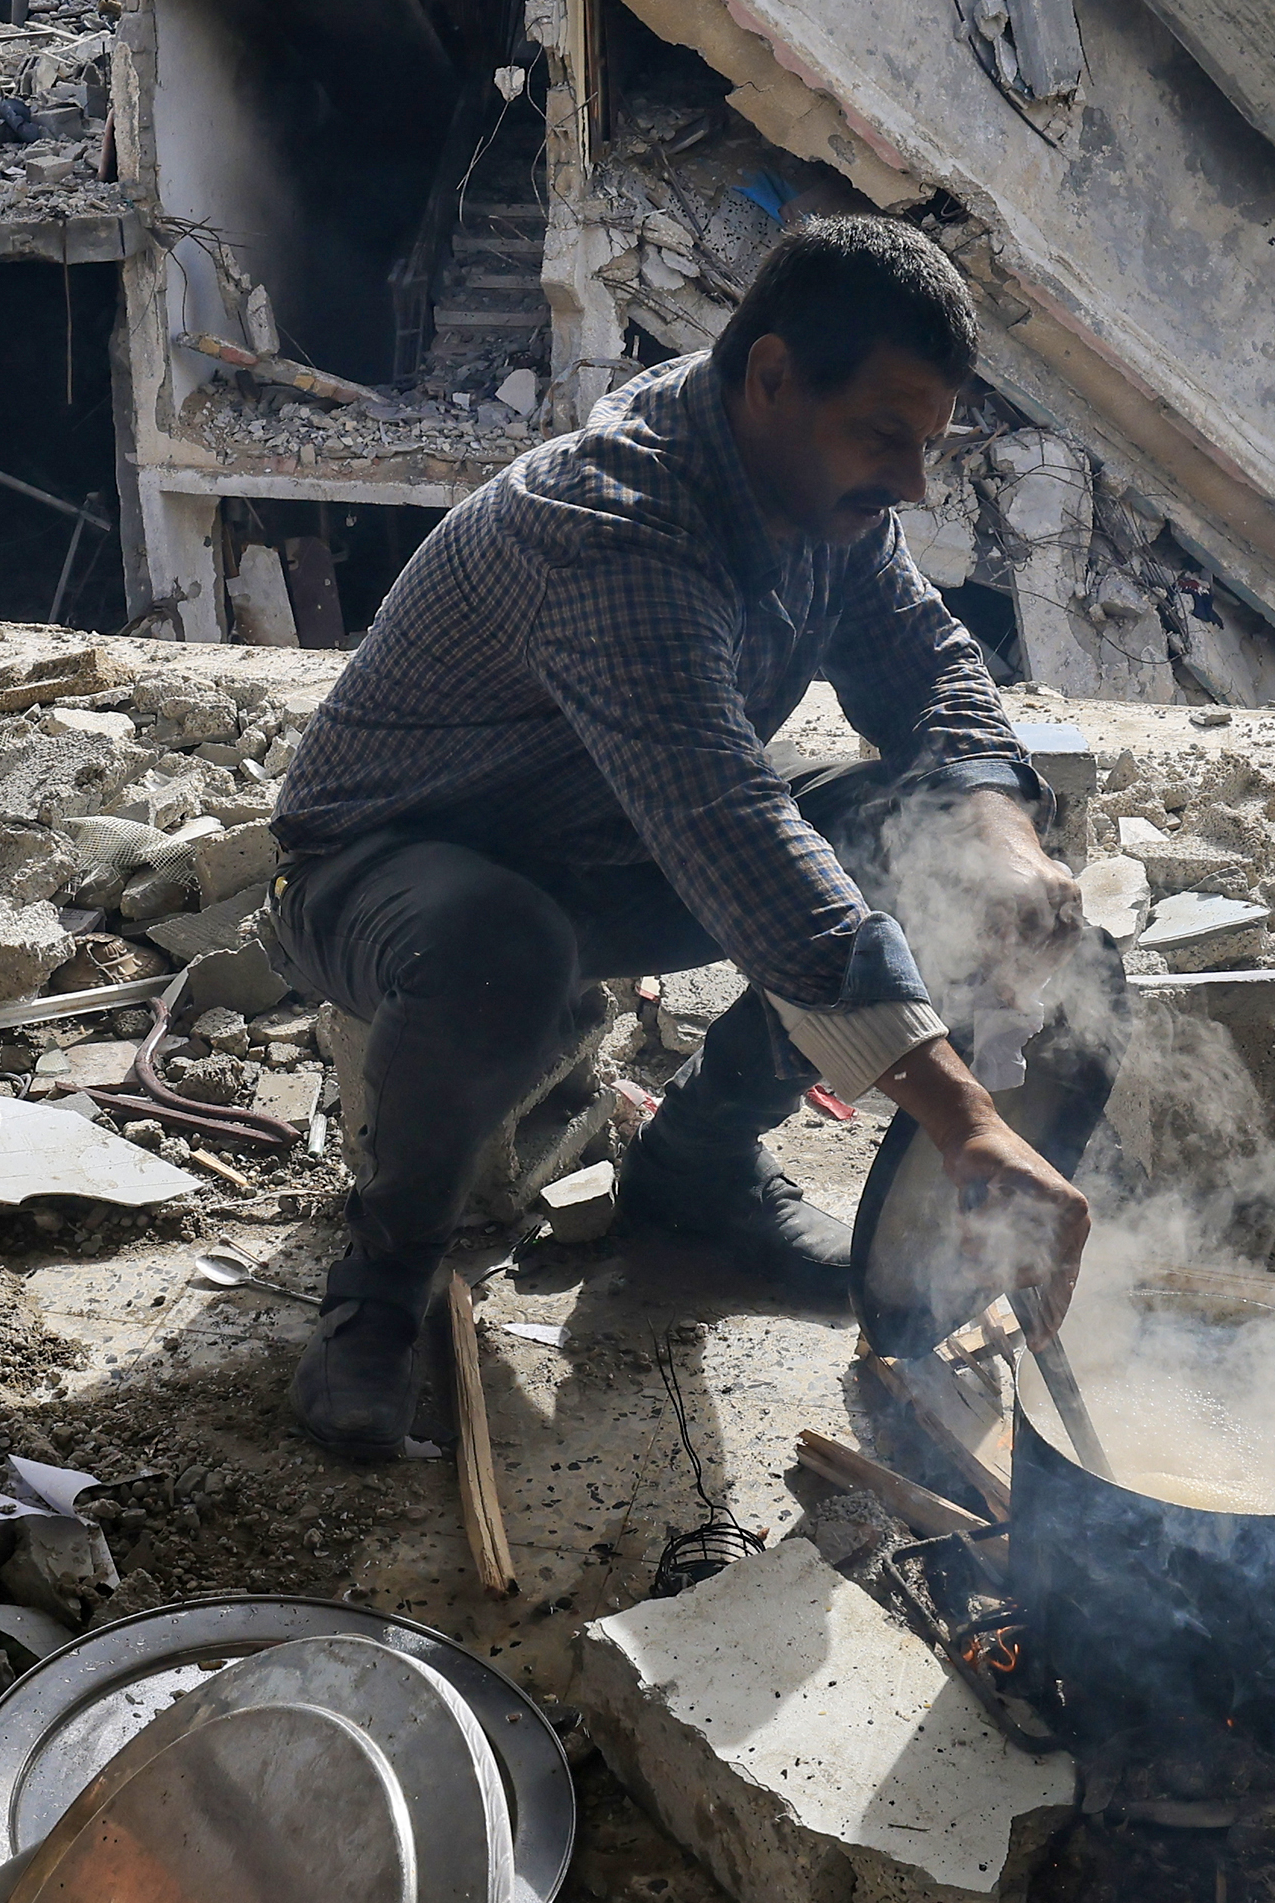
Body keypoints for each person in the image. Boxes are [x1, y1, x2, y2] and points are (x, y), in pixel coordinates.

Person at [265, 216, 1095, 1459]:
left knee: (906, 839)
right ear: (771, 376)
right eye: (886, 436)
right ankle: (382, 1287)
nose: (913, 486)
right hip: (386, 865)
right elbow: (740, 843)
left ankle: (694, 1175)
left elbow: (927, 669)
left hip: (603, 839)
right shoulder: (618, 533)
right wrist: (962, 1117)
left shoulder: (811, 484)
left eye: (929, 444)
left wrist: (1000, 841)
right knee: (509, 955)